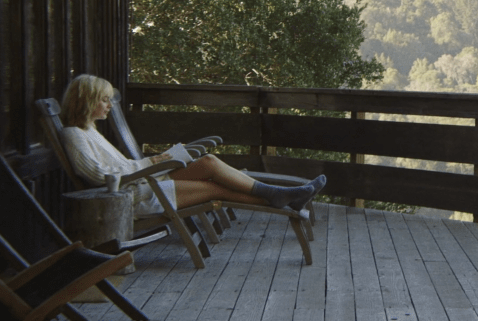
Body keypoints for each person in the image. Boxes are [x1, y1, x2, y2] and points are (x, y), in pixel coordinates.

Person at [60, 74, 326, 218]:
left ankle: (279, 194)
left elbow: (119, 166)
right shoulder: (74, 135)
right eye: (104, 100)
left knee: (208, 162)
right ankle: (281, 197)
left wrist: (152, 162)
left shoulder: (90, 130)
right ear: (87, 100)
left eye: (109, 100)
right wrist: (148, 163)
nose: (108, 105)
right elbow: (99, 176)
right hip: (135, 196)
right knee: (213, 189)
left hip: (144, 180)